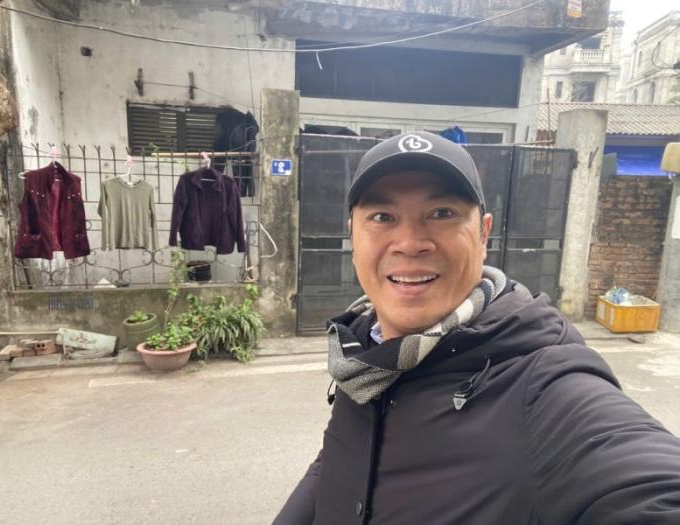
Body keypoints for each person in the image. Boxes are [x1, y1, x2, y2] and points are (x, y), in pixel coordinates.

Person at [273, 131, 680, 524]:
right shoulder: (362, 354)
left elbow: (646, 486)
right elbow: (337, 463)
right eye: (382, 217)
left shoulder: (542, 387)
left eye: (442, 213)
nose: (410, 242)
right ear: (353, 236)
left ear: (484, 233)